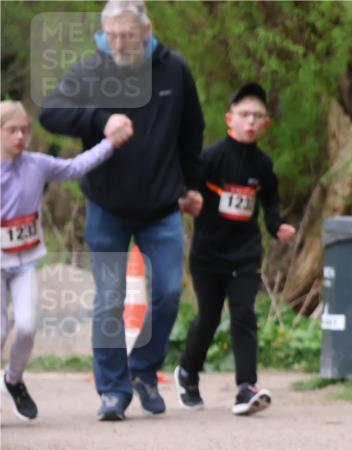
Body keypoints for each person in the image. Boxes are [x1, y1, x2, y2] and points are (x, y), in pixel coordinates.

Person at [39, 0, 205, 421]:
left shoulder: (174, 70)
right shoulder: (92, 70)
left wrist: (192, 187)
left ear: (146, 29)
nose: (118, 43)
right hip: (107, 206)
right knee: (109, 301)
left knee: (168, 293)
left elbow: (192, 131)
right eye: (111, 35)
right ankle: (113, 391)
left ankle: (144, 372)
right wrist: (99, 120)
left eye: (126, 35)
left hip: (162, 206)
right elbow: (50, 111)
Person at [1, 101, 130, 421]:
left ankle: (13, 380)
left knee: (28, 327)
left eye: (25, 130)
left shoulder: (37, 165)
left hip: (25, 262)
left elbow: (75, 167)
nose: (20, 136)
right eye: (11, 130)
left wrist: (109, 144)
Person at [174, 83, 295, 416]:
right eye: (244, 115)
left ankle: (246, 388)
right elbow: (187, 188)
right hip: (209, 253)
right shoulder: (211, 157)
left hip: (245, 252)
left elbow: (269, 202)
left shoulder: (263, 165)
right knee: (210, 318)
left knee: (243, 314)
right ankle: (187, 373)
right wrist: (186, 200)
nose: (251, 122)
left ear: (266, 124)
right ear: (230, 118)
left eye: (258, 116)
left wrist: (276, 226)